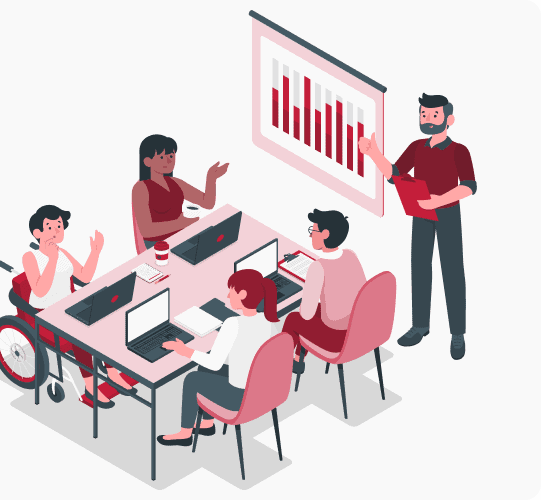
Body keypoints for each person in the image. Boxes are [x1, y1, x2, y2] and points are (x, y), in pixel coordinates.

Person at [358, 93, 476, 360]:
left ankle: (457, 333)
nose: (428, 120)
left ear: (449, 119)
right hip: (420, 214)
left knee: (452, 271)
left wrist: (440, 199)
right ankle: (420, 325)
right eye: (424, 115)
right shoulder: (416, 147)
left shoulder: (459, 150)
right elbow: (395, 175)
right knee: (419, 267)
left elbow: (469, 186)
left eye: (434, 115)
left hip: (447, 214)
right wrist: (373, 153)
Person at [23, 205, 136, 409]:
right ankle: (90, 388)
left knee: (105, 321)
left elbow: (84, 276)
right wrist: (52, 259)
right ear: (37, 233)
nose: (57, 230)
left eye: (59, 225)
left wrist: (95, 252)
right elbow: (40, 290)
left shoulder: (62, 251)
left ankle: (112, 373)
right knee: (80, 336)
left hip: (69, 304)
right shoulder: (30, 257)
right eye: (50, 226)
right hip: (45, 312)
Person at [156, 269, 279, 447]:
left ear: (243, 294)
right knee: (204, 365)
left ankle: (184, 434)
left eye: (232, 290)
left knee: (192, 379)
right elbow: (247, 354)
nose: (228, 295)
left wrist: (184, 350)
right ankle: (207, 424)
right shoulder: (269, 322)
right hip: (263, 392)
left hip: (240, 397)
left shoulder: (234, 324)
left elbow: (214, 364)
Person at [282, 209, 366, 375]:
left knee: (293, 319)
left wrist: (311, 291)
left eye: (313, 231)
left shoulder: (318, 267)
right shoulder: (351, 255)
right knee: (319, 308)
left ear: (325, 234)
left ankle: (283, 362)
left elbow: (305, 315)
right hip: (359, 328)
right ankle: (299, 358)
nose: (310, 235)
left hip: (339, 339)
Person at [132, 134, 229, 249]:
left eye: (171, 156)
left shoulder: (176, 183)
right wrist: (182, 223)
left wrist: (211, 178)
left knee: (218, 243)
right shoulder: (141, 188)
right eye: (162, 157)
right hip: (159, 245)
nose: (168, 161)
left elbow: (207, 203)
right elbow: (147, 231)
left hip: (182, 236)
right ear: (147, 161)